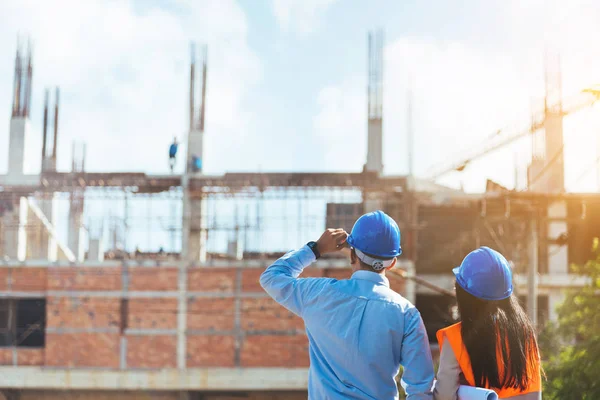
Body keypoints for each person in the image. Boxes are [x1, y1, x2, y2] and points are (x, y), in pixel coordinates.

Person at [260, 210, 434, 399]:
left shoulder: (318, 293)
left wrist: (315, 249)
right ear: (392, 263)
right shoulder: (406, 313)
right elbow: (420, 389)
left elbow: (272, 278)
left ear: (352, 255)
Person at [434, 247, 542, 400]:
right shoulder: (525, 335)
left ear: (463, 293)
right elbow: (534, 393)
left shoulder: (456, 338)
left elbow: (444, 396)